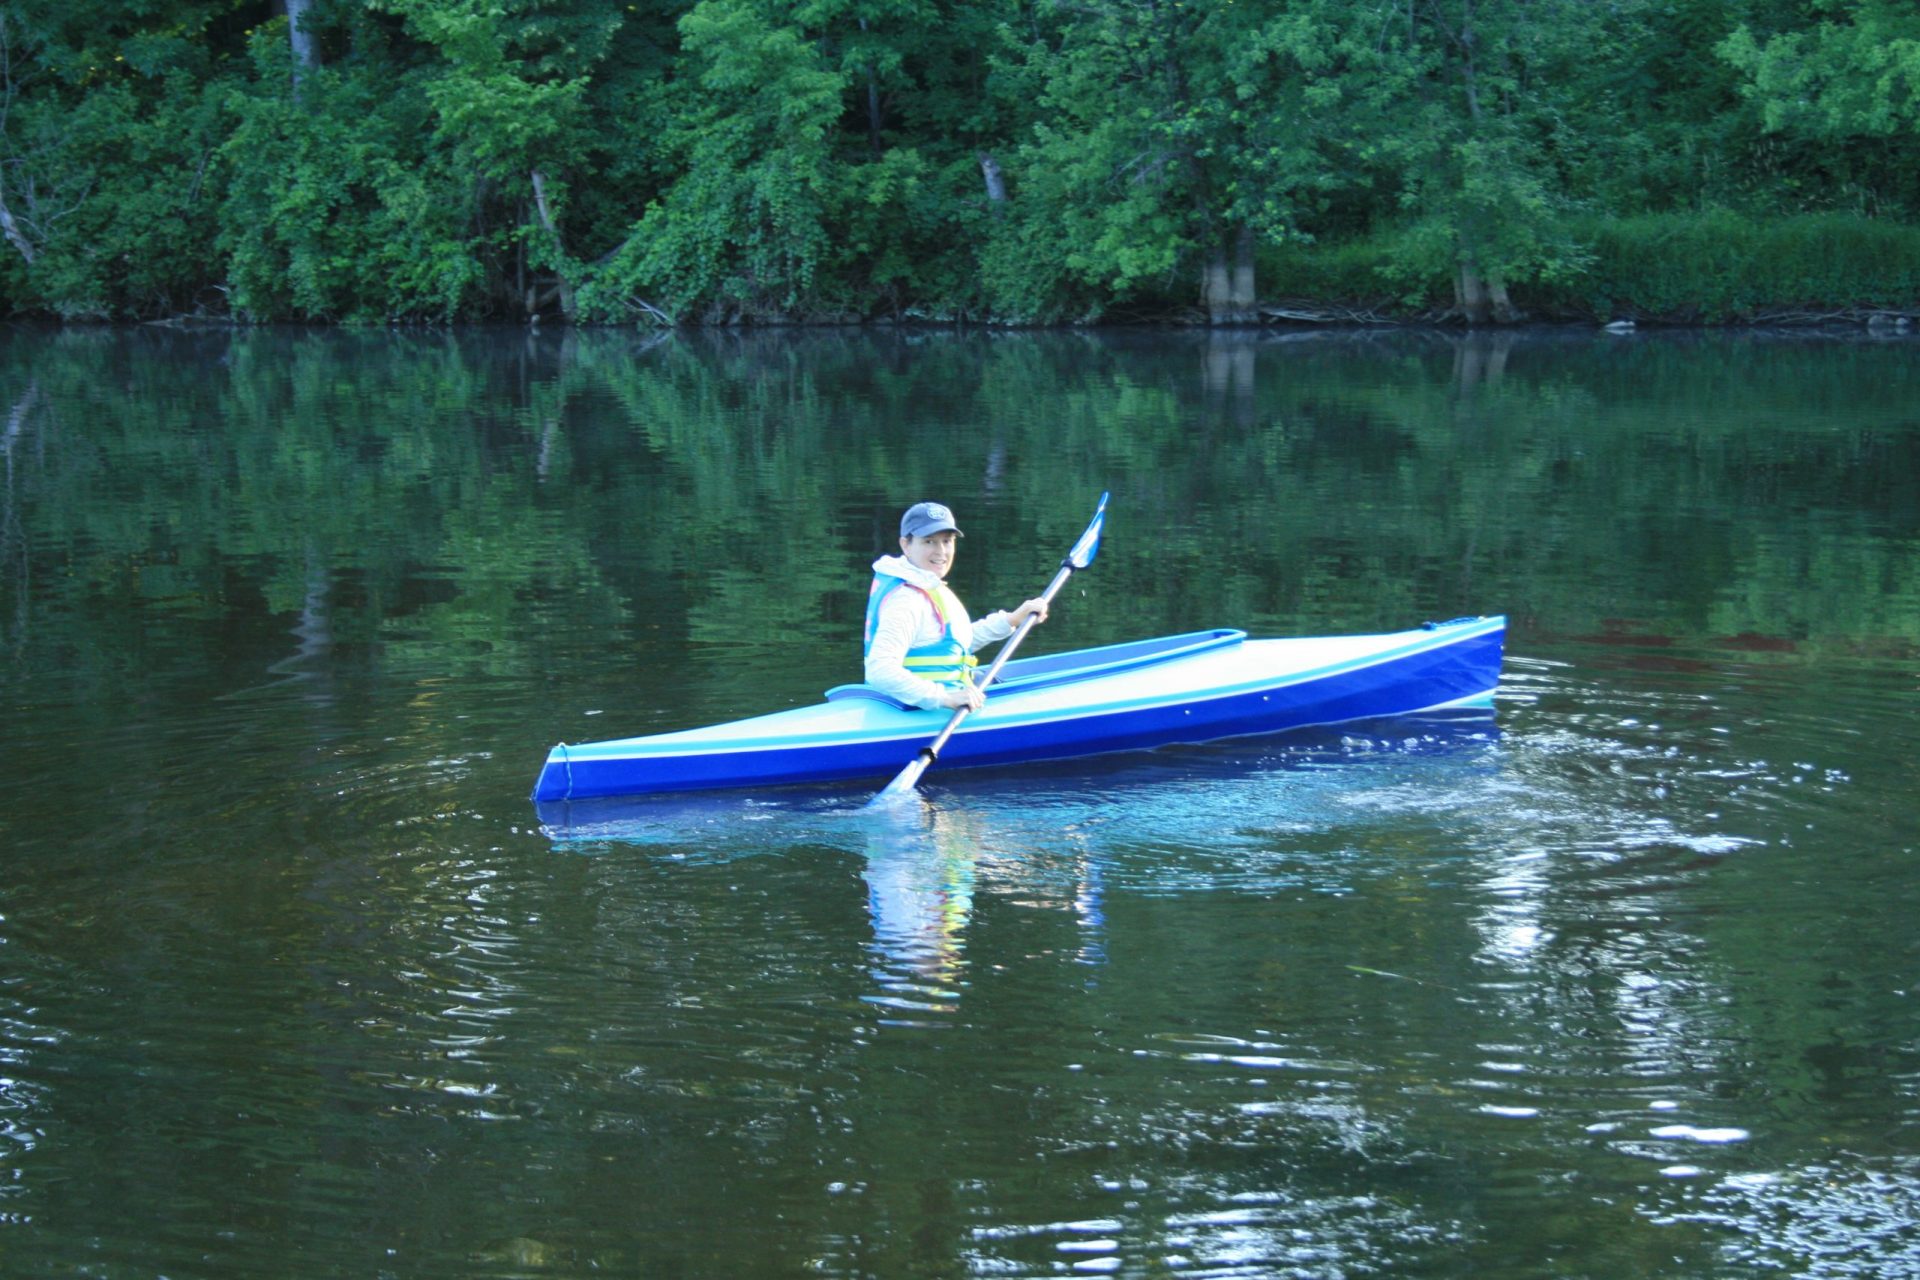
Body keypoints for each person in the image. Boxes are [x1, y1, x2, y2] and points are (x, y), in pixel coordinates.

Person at [864, 501, 1049, 711]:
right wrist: (944, 698)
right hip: (918, 712)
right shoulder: (907, 600)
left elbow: (957, 643)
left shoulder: (926, 583)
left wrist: (1011, 620)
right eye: (929, 542)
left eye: (947, 541)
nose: (941, 551)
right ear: (905, 545)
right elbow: (879, 670)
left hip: (931, 705)